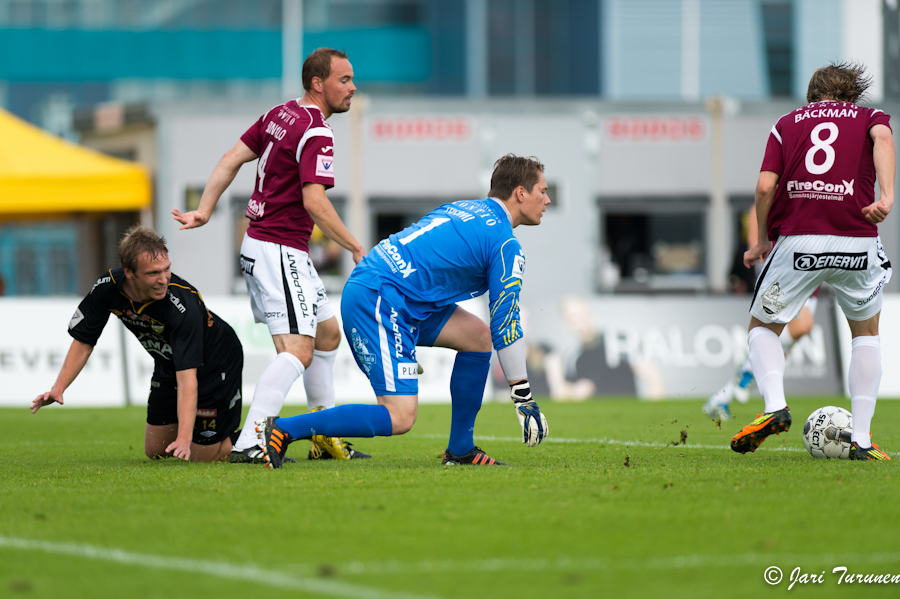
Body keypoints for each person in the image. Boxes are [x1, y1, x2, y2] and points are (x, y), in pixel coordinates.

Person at [256, 154, 552, 468]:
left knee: (478, 337)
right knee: (400, 416)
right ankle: (283, 429)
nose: (547, 200)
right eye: (543, 191)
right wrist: (523, 397)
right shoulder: (505, 243)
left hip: (392, 294)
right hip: (381, 299)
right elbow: (505, 320)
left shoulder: (463, 207)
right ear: (520, 193)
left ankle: (461, 449)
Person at [171, 47, 370, 463]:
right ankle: (252, 440)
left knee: (328, 334)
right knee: (297, 350)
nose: (353, 87)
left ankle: (322, 436)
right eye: (344, 80)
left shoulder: (280, 114)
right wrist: (354, 244)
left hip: (268, 245)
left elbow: (231, 158)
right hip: (278, 249)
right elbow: (314, 202)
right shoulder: (317, 131)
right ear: (318, 83)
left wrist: (205, 210)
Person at [730, 61, 894, 460]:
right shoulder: (870, 116)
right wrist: (886, 196)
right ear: (852, 95)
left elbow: (765, 185)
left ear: (811, 96)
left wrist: (762, 239)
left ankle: (774, 408)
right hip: (857, 242)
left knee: (762, 329)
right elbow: (883, 141)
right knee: (866, 336)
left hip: (799, 242)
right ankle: (861, 440)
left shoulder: (787, 123)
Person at [32, 226, 243, 462]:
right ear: (129, 272)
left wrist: (184, 438)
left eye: (167, 269)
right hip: (168, 362)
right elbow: (84, 342)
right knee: (156, 450)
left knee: (201, 456)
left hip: (215, 362)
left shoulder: (184, 306)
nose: (163, 280)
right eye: (153, 273)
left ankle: (257, 439)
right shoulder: (107, 288)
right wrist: (59, 388)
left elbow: (186, 379)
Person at [704, 203, 819, 420]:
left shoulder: (811, 190)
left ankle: (722, 397)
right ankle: (749, 381)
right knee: (801, 326)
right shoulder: (767, 198)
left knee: (779, 351)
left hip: (814, 261)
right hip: (785, 265)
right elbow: (756, 235)